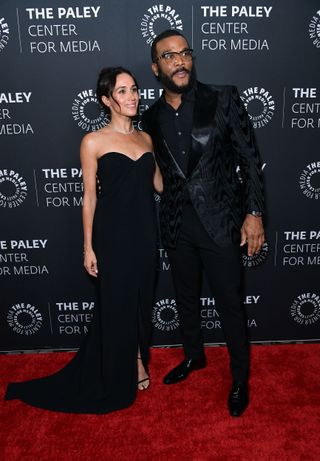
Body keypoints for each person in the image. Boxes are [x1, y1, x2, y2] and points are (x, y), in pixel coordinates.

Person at [5, 66, 163, 413]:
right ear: (107, 99)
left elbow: (159, 186)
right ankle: (125, 366)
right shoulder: (93, 141)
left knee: (141, 301)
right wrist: (88, 247)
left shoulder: (146, 138)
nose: (132, 96)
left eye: (134, 89)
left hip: (145, 233)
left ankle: (137, 356)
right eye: (122, 91)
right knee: (116, 303)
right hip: (112, 236)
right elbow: (89, 196)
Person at [142, 30, 265, 417]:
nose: (179, 61)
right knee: (185, 298)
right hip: (178, 224)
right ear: (155, 67)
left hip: (221, 222)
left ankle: (240, 378)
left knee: (230, 303)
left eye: (184, 53)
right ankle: (194, 357)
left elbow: (250, 159)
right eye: (169, 56)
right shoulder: (150, 117)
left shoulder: (223, 98)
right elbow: (156, 172)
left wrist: (254, 214)